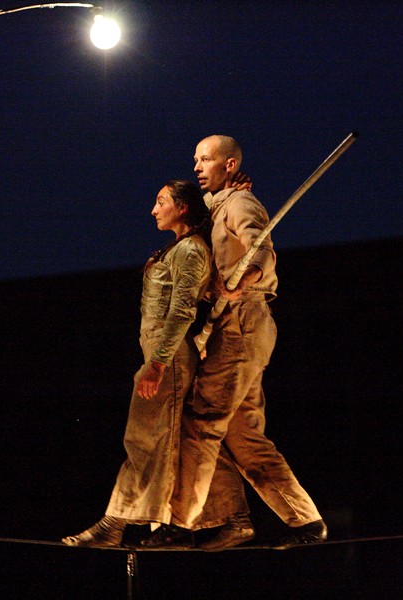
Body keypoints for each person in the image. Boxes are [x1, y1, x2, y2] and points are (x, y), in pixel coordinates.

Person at [140, 135, 328, 550]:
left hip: (244, 320)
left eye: (206, 159)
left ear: (228, 164)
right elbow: (196, 210)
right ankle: (306, 522)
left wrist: (241, 280)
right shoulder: (219, 203)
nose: (197, 165)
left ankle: (184, 523)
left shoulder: (241, 204)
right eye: (195, 159)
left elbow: (262, 251)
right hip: (236, 328)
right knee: (243, 436)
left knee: (203, 420)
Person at [62, 180, 249, 548]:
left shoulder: (191, 251)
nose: (153, 209)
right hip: (164, 355)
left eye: (161, 201)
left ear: (181, 208)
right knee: (187, 440)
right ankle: (234, 516)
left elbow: (181, 311)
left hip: (170, 358)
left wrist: (158, 364)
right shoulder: (180, 248)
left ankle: (114, 523)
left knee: (143, 437)